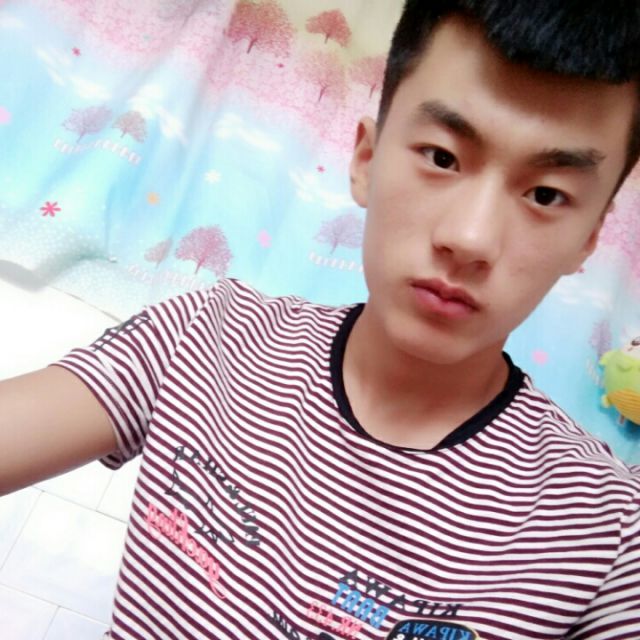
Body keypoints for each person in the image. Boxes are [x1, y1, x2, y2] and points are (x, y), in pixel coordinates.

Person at [1, 1, 639, 638]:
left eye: (546, 194)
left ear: (588, 239)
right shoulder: (207, 336)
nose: (469, 238)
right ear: (366, 159)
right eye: (442, 157)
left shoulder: (607, 532)